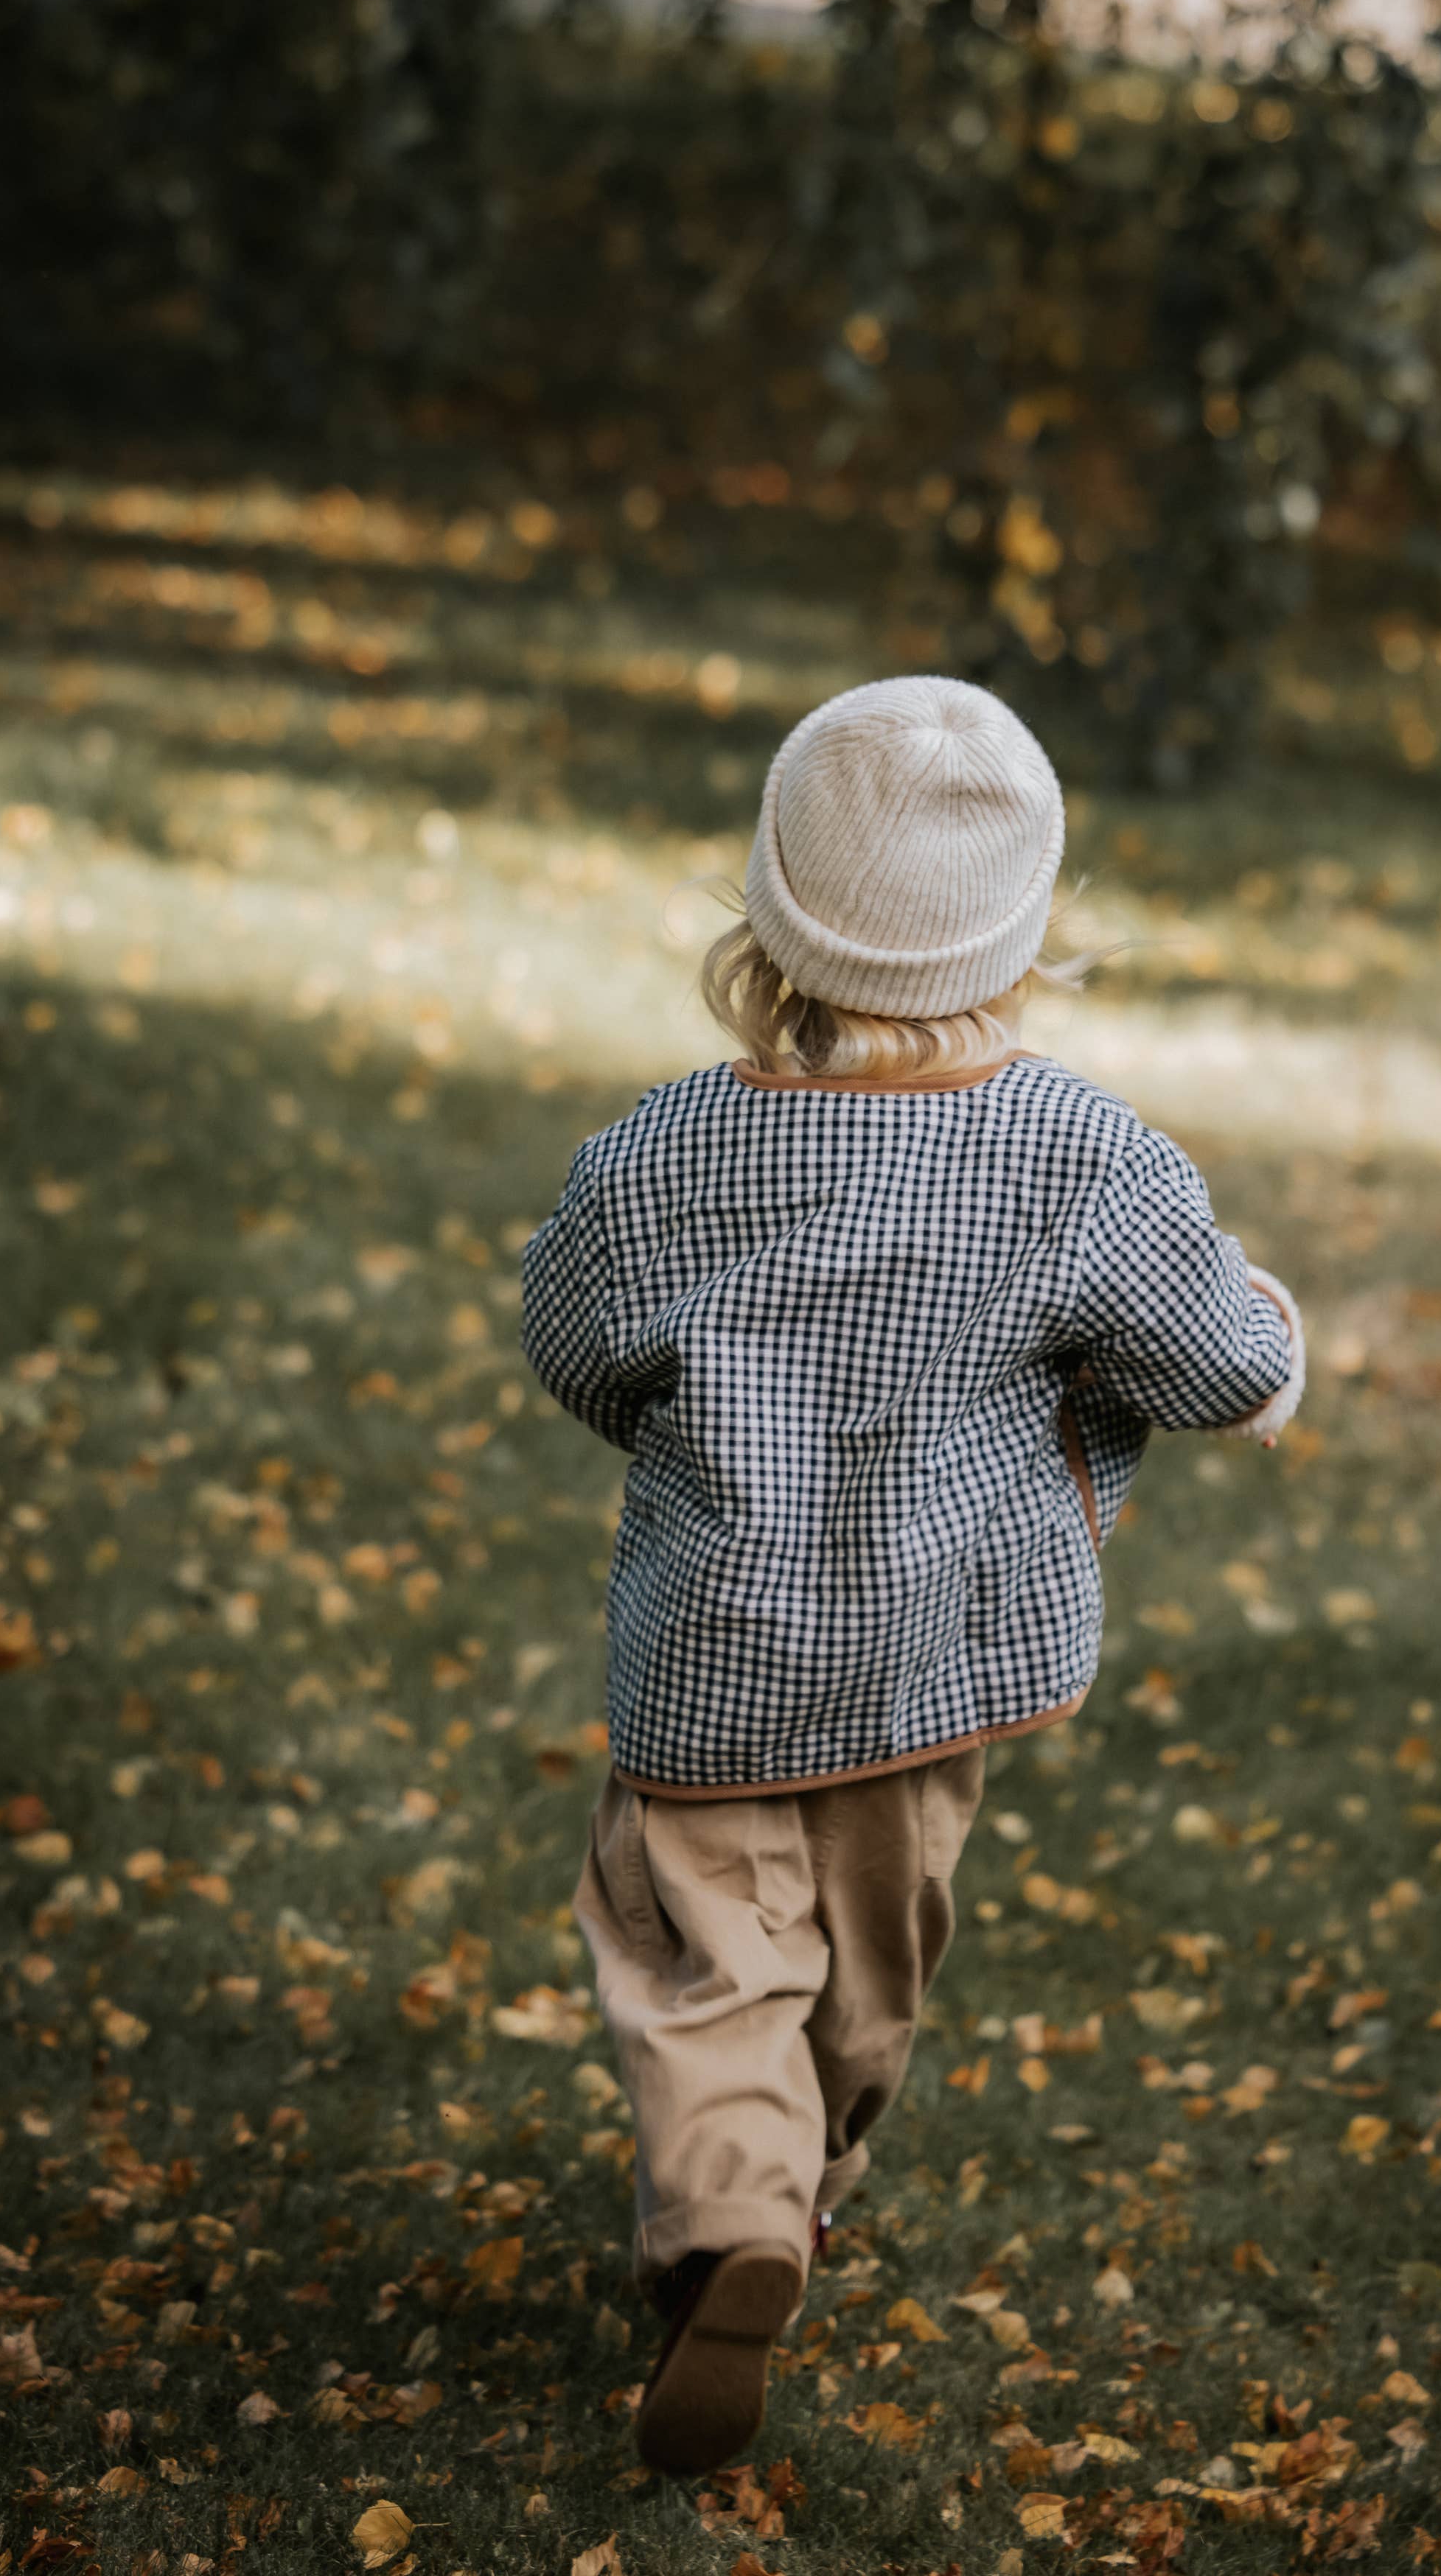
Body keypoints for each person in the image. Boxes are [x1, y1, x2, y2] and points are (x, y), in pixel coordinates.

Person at [520, 675, 1304, 2476]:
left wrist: (687, 1422)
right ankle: (809, 2170)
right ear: (1022, 938)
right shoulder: (1083, 1159)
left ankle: (740, 2209)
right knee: (871, 1978)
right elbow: (1207, 1356)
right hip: (934, 1666)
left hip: (713, 1664)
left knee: (707, 1964)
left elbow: (573, 1341)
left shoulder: (656, 1157)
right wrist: (1272, 1343)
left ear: (767, 915)